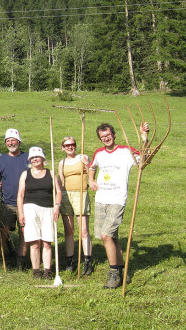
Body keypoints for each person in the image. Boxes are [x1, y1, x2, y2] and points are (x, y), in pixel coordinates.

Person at [88, 122, 149, 289]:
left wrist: (144, 137)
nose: (106, 138)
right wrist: (91, 180)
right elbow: (91, 167)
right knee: (110, 237)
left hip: (117, 199)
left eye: (108, 135)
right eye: (102, 137)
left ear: (114, 135)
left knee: (106, 235)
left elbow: (144, 158)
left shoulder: (125, 152)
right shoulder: (99, 153)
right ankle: (123, 270)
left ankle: (114, 273)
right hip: (101, 199)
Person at [17, 147, 62, 279]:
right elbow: (20, 195)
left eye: (37, 156)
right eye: (33, 157)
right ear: (30, 160)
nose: (35, 159)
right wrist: (21, 213)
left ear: (42, 158)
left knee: (47, 242)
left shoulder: (50, 173)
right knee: (34, 242)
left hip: (48, 208)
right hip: (30, 208)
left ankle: (47, 271)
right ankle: (36, 271)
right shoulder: (25, 174)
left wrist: (57, 206)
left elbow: (58, 192)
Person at [0, 128, 29, 269]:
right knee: (3, 231)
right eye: (8, 140)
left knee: (23, 233)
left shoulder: (27, 158)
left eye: (13, 140)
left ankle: (21, 261)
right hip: (7, 203)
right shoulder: (1, 160)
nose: (10, 143)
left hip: (26, 204)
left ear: (18, 141)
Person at [58, 136, 93, 276]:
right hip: (66, 195)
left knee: (83, 230)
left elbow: (91, 173)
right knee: (69, 230)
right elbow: (61, 180)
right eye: (67, 145)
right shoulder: (62, 162)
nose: (70, 147)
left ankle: (87, 261)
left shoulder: (83, 157)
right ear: (63, 148)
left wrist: (87, 164)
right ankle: (70, 261)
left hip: (81, 193)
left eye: (72, 144)